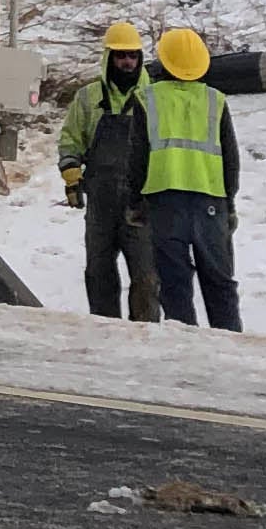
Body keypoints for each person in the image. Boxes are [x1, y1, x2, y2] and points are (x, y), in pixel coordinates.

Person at [54, 21, 162, 322]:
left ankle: (146, 339)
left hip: (141, 203)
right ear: (108, 58)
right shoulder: (88, 98)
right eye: (120, 56)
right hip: (101, 204)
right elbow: (70, 139)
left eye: (132, 56)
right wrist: (72, 178)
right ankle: (104, 334)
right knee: (99, 274)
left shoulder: (154, 98)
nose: (127, 62)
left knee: (146, 277)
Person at [140, 24, 246, 330]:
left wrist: (135, 202)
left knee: (174, 284)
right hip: (211, 200)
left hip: (164, 200)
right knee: (219, 282)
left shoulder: (147, 99)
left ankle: (183, 346)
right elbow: (231, 159)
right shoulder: (215, 100)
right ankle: (228, 345)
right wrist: (231, 203)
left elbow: (138, 156)